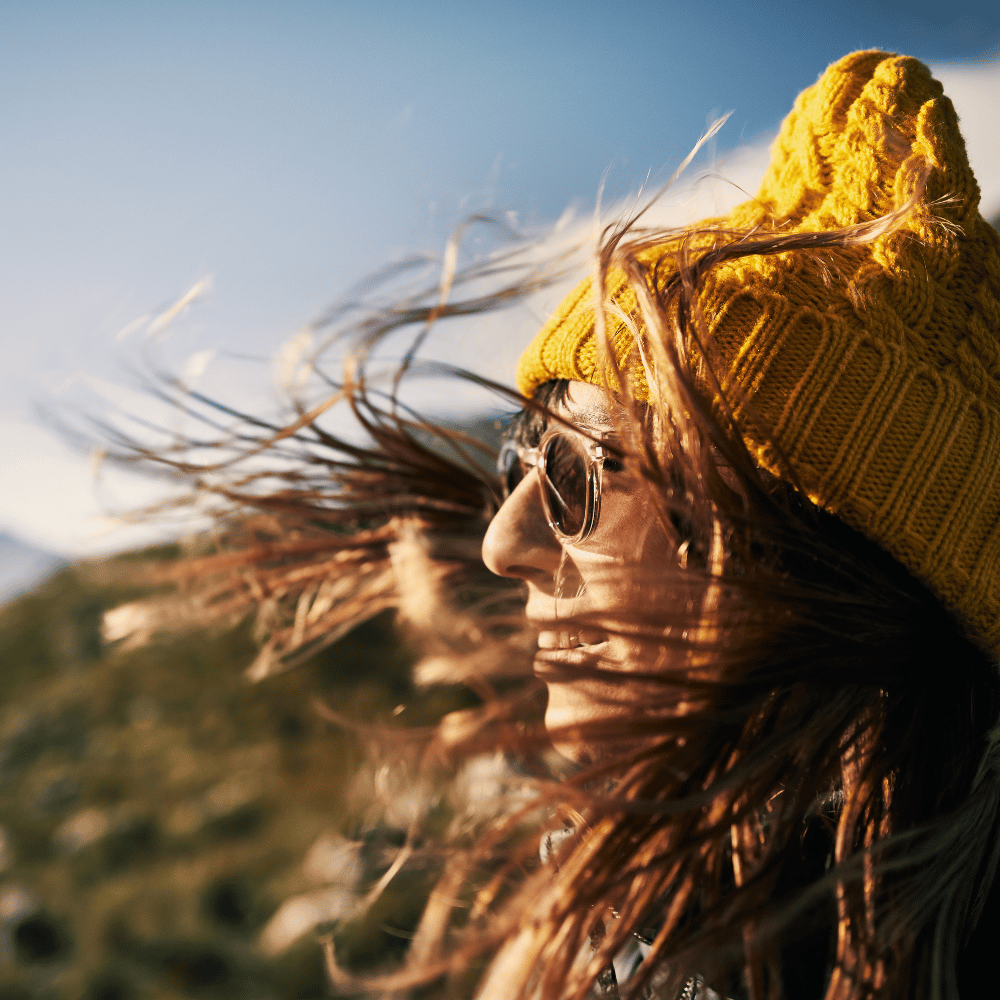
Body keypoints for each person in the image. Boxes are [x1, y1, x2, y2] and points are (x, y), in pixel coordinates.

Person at [115, 50, 1000, 999]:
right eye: (519, 461)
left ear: (807, 547)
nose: (503, 543)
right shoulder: (654, 918)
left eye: (575, 470)